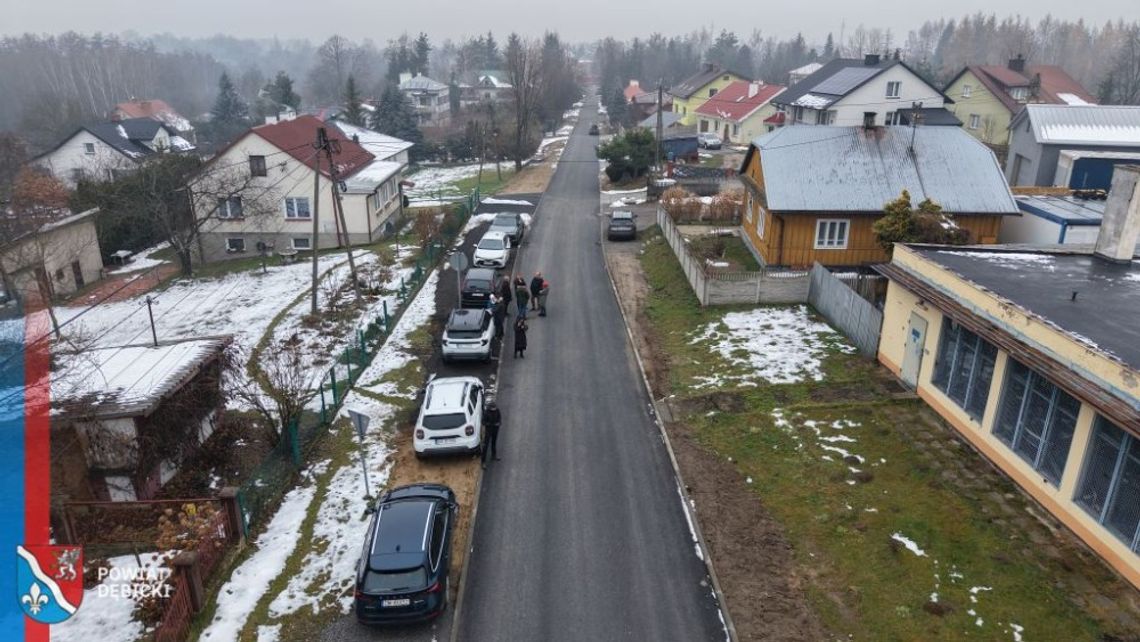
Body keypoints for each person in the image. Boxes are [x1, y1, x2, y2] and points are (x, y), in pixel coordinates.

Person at [482, 399, 501, 468]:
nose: (494, 409)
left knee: (494, 442)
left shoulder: (497, 410)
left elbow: (499, 418)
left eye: (494, 408)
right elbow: (483, 422)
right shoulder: (486, 412)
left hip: (495, 429)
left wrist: (498, 423)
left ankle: (493, 455)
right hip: (489, 430)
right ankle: (483, 462)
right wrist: (489, 424)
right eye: (493, 408)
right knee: (486, 446)